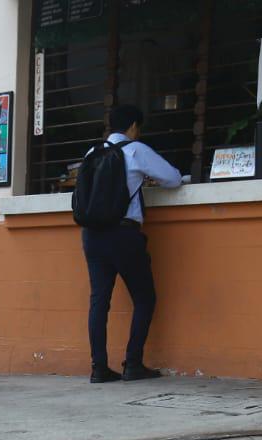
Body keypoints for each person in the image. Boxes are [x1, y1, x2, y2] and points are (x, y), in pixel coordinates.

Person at [83, 103, 183, 383]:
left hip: (91, 235)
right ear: (133, 126)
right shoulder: (136, 150)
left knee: (99, 301)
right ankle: (133, 363)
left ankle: (99, 368)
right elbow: (173, 179)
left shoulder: (93, 152)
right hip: (123, 234)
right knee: (144, 298)